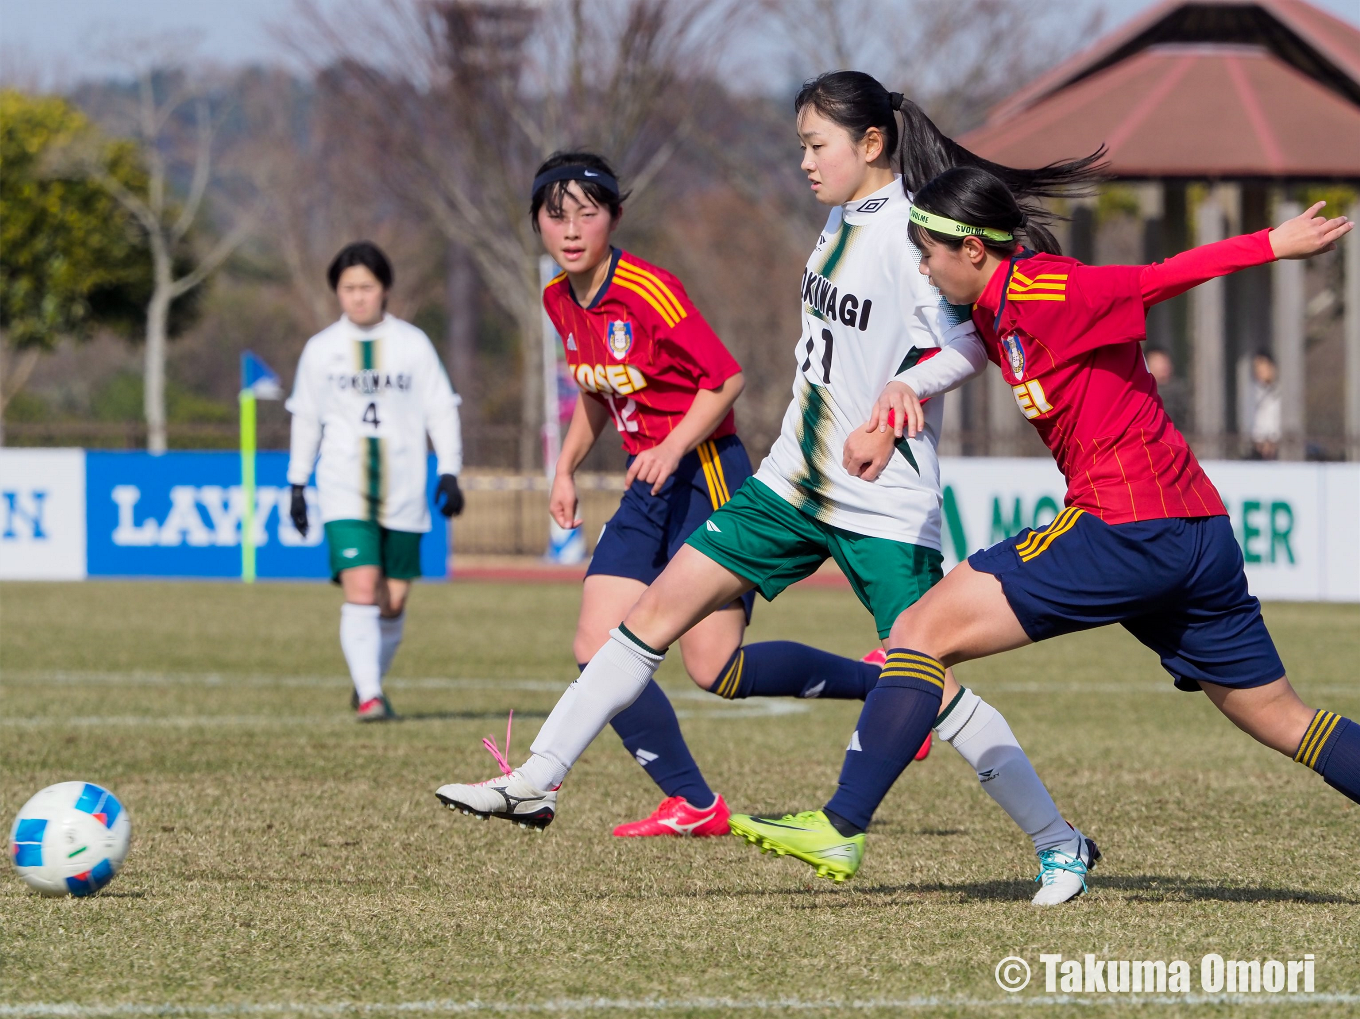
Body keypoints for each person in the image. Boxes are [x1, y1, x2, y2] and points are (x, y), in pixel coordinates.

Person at [436, 73, 1107, 904]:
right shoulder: (840, 219)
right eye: (799, 145)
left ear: (870, 145)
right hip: (791, 480)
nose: (803, 162)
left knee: (926, 679)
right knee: (649, 616)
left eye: (815, 145)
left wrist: (906, 394)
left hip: (880, 497)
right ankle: (539, 776)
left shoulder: (908, 230)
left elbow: (970, 345)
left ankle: (1058, 842)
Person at [729, 168, 1358, 887]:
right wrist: (899, 394)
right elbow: (962, 350)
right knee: (1283, 718)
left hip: (1129, 524)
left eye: (928, 252)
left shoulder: (1043, 289)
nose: (923, 267)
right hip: (1193, 531)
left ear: (971, 250)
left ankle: (840, 826)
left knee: (917, 633)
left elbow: (1156, 278)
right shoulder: (990, 310)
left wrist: (1272, 244)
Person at [525, 150, 753, 838]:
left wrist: (673, 445)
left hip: (705, 473)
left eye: (586, 215)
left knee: (715, 666)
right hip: (644, 482)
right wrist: (564, 469)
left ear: (614, 218)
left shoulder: (649, 290)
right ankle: (693, 801)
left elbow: (726, 379)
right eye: (554, 215)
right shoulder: (558, 298)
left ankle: (887, 682)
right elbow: (599, 390)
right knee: (597, 647)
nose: (570, 230)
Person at [286, 241, 465, 721]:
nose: (358, 297)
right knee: (361, 587)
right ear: (337, 293)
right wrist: (297, 483)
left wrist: (449, 470)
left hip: (404, 490)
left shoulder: (412, 344)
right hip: (344, 487)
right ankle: (369, 694)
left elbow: (441, 408)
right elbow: (306, 417)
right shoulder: (321, 350)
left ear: (384, 289)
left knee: (394, 600)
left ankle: (370, 681)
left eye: (366, 287)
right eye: (348, 289)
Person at [1248, 350, 1281, 460]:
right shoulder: (1252, 393)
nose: (1259, 370)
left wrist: (1273, 442)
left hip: (1278, 449)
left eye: (1262, 365)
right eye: (1256, 367)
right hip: (1257, 449)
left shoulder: (1281, 393)